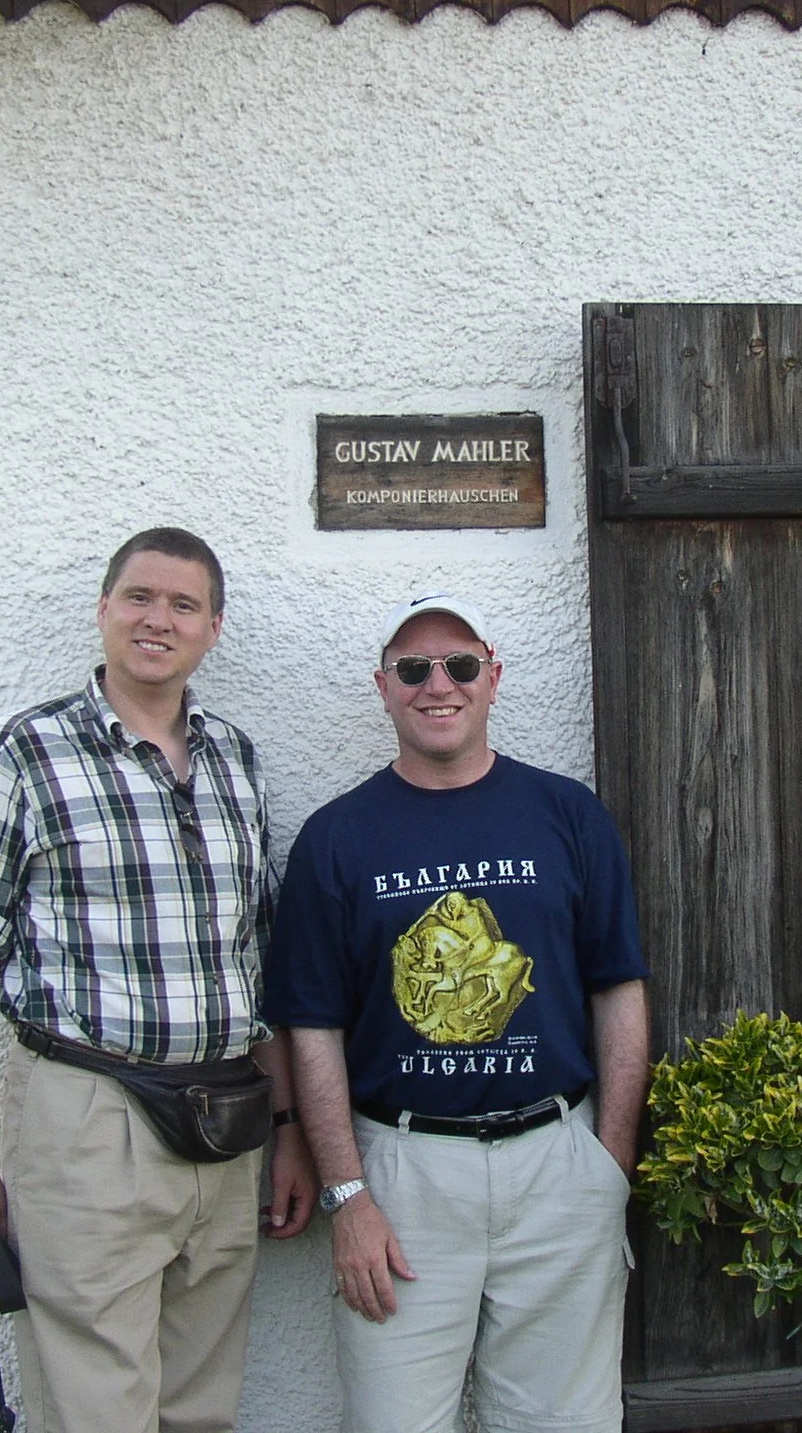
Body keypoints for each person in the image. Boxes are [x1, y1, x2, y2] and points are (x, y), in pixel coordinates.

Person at [0, 527, 316, 1433]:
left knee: (200, 1406)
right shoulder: (22, 754)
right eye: (140, 597)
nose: (158, 619)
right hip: (86, 1119)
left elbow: (258, 964)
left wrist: (289, 1130)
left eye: (184, 605)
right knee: (95, 1408)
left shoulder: (237, 761)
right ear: (104, 610)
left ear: (213, 628)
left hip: (227, 1124)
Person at [267, 593, 650, 1433]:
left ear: (493, 677)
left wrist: (607, 1166)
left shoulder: (569, 816)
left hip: (559, 1163)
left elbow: (617, 989)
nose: (437, 684)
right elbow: (312, 1031)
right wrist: (347, 1196)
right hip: (403, 1177)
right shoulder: (334, 840)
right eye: (413, 668)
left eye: (460, 664)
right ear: (385, 686)